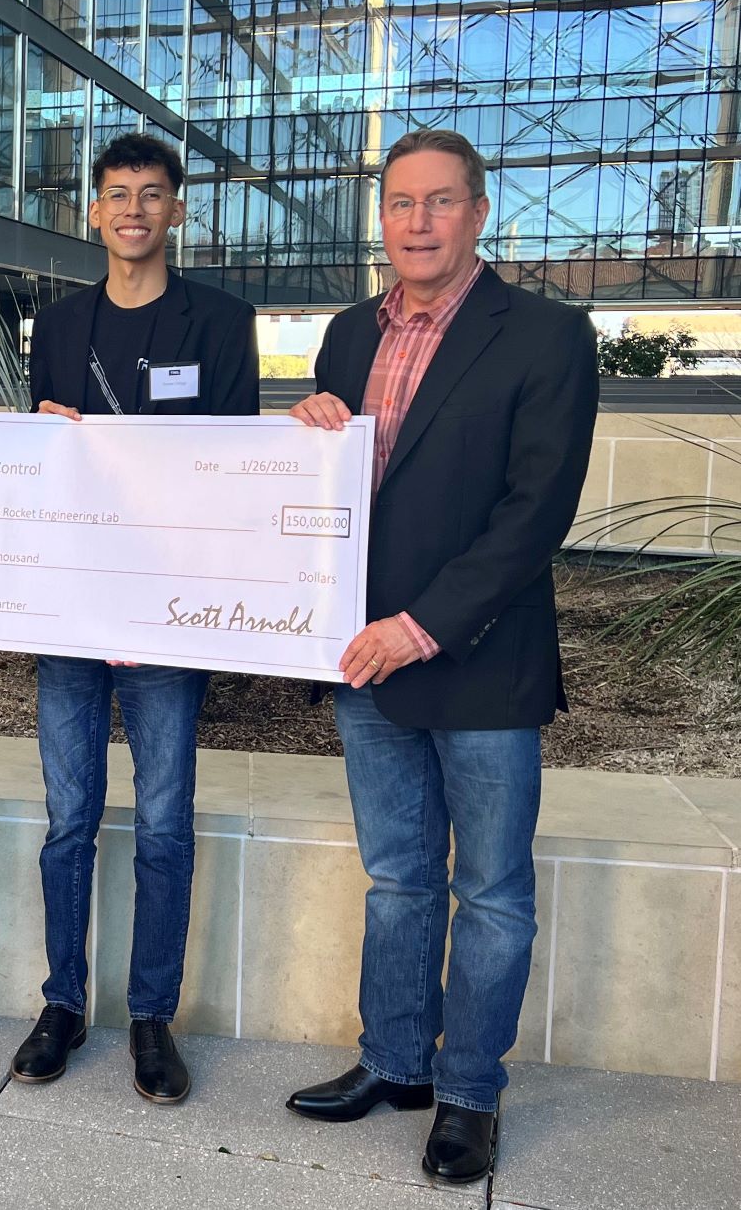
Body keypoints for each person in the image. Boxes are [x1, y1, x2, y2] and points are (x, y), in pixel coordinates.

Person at [282, 129, 598, 1185]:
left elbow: (531, 512)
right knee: (399, 877)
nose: (415, 223)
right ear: (381, 218)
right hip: (362, 654)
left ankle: (467, 1091)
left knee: (493, 889)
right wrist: (309, 432)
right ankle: (392, 1060)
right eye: (399, 204)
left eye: (438, 203)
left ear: (478, 210)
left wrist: (421, 623)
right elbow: (331, 493)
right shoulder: (342, 333)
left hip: (474, 655)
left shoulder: (546, 335)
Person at [10, 133, 259, 1103]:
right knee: (67, 816)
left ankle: (152, 1014)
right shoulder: (57, 326)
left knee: (162, 820)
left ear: (177, 210)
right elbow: (47, 468)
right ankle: (62, 1001)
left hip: (166, 607)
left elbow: (231, 468)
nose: (133, 211)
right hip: (74, 605)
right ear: (93, 210)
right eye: (116, 194)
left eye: (151, 195)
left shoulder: (221, 322)